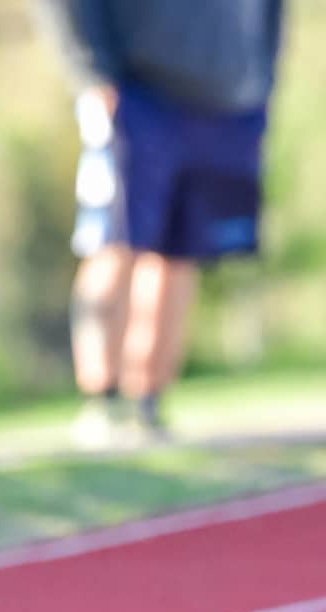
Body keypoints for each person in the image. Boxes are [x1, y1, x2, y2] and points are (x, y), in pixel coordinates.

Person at [37, 0, 285, 447]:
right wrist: (92, 73)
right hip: (137, 94)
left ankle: (148, 403)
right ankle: (102, 403)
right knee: (115, 244)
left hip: (228, 101)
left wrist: (264, 77)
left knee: (180, 254)